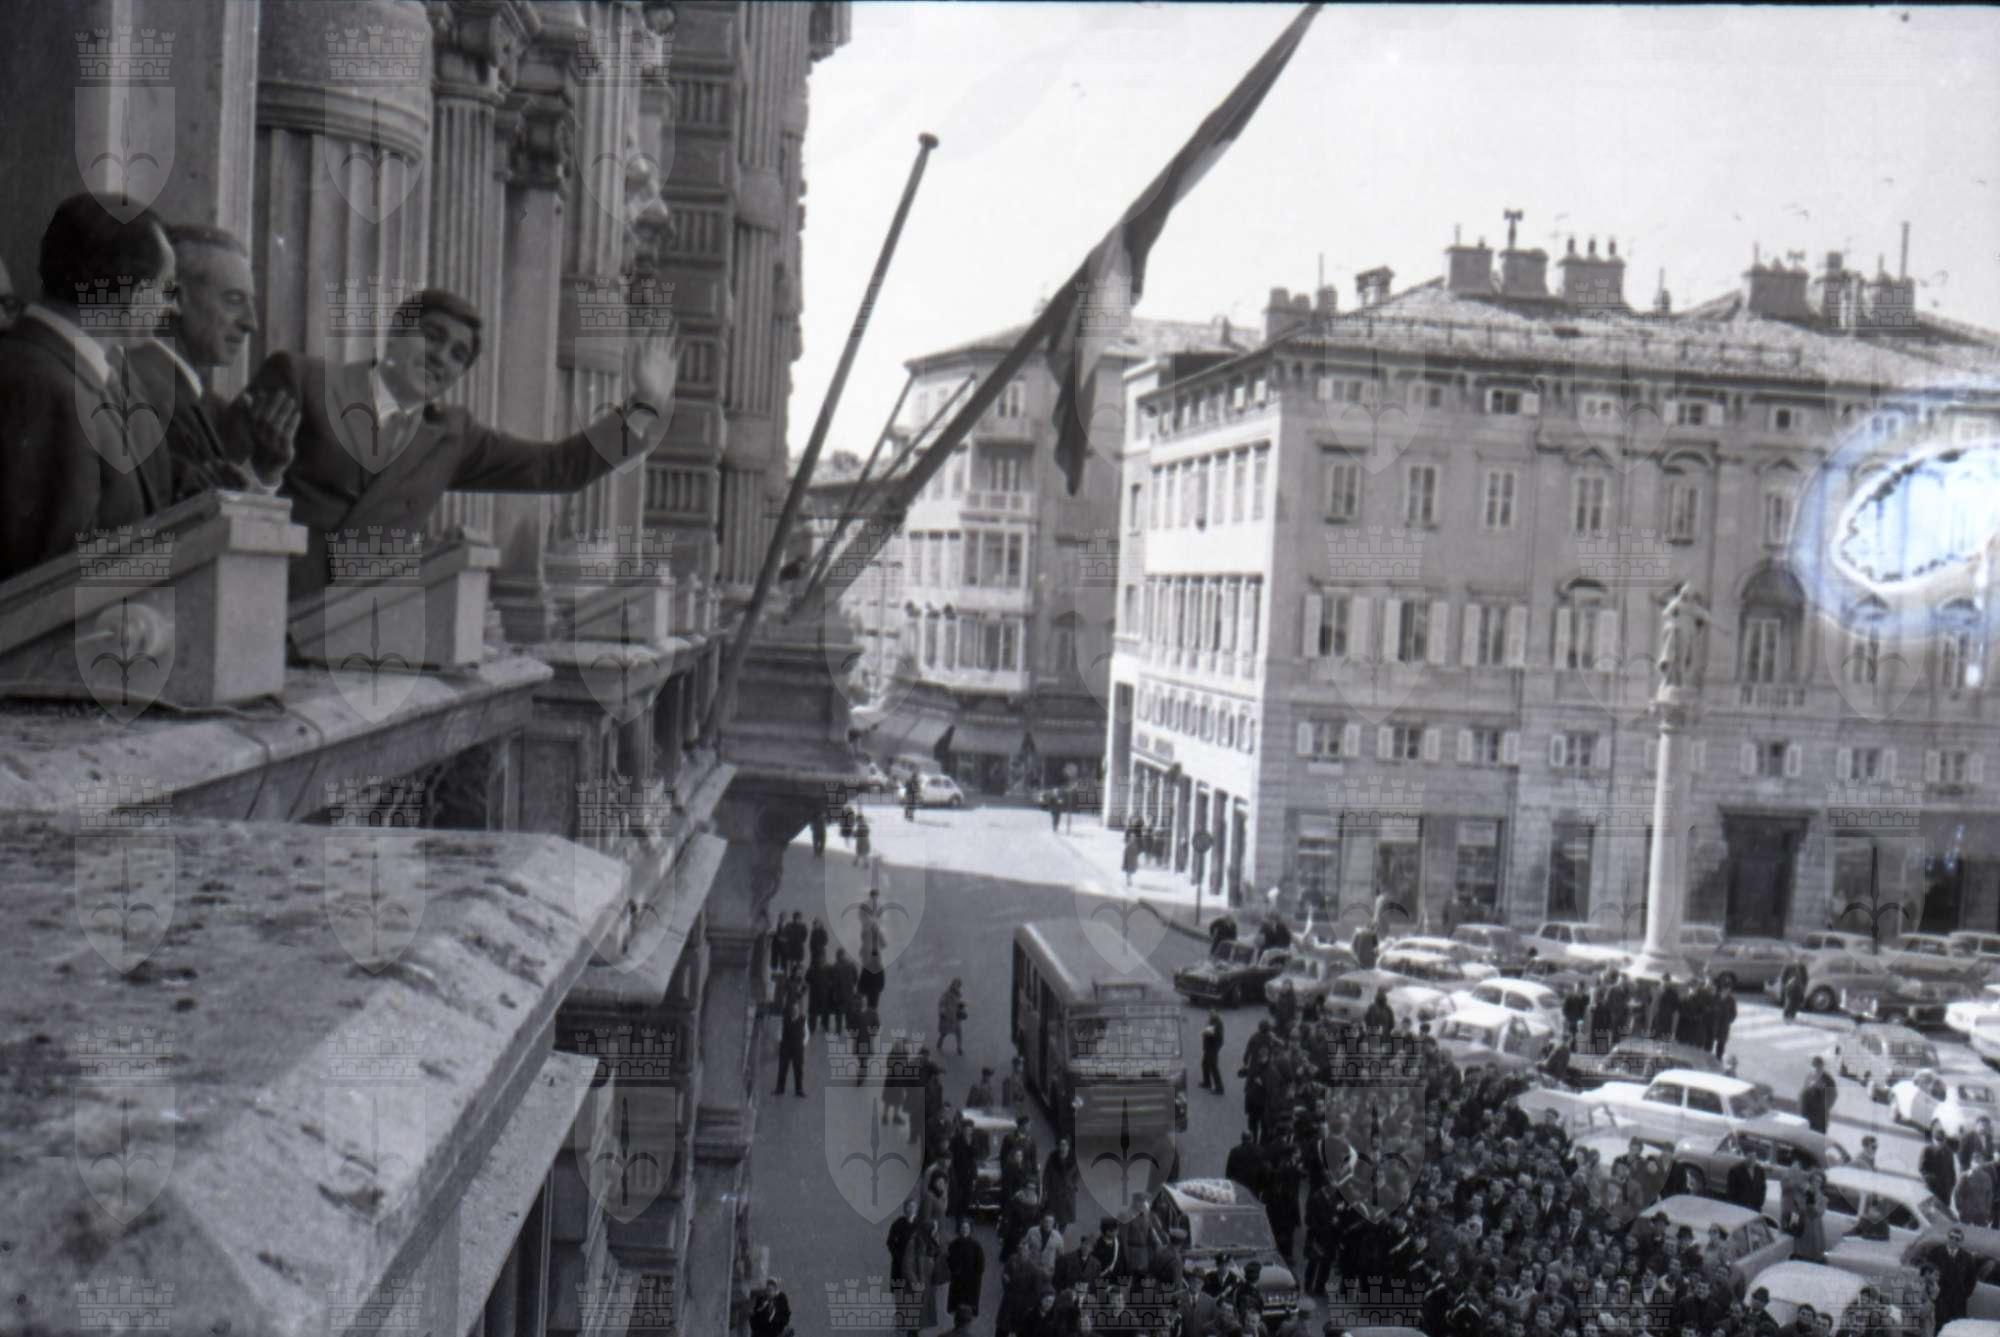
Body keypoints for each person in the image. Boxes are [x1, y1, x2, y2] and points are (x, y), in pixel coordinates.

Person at [254, 288, 675, 601]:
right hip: (265, 605)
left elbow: (557, 467)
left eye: (457, 355)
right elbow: (229, 478)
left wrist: (645, 404)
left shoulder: (452, 436)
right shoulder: (304, 382)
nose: (441, 357)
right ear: (395, 334)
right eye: (432, 336)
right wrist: (265, 476)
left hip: (355, 637)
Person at [0, 194, 183, 581]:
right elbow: (45, 585)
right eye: (165, 288)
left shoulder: (84, 376)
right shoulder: (42, 385)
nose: (172, 307)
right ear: (130, 296)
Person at [773, 967, 807, 1097]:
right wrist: (780, 1043)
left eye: (801, 972)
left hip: (797, 1046)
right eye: (798, 971)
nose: (799, 973)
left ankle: (799, 1089)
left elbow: (806, 1034)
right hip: (786, 1045)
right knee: (783, 1067)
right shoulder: (786, 1018)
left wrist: (802, 1044)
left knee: (798, 1069)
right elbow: (779, 1032)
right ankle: (780, 1088)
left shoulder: (802, 1019)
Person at [1798, 1056, 1837, 1135]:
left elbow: (1833, 1096)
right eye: (1814, 1066)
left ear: (1822, 1066)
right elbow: (1803, 1093)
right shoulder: (1810, 1076)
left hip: (1820, 1117)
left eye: (1818, 1066)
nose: (1816, 1069)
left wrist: (1824, 1106)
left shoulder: (1828, 1079)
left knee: (1818, 1136)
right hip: (1807, 1113)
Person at [1922, 1124, 1960, 1206]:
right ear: (1933, 1139)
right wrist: (1929, 1180)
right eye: (1937, 1140)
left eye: (1941, 1140)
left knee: (1944, 1209)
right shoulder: (1928, 1150)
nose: (1939, 1143)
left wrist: (1952, 1184)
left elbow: (1951, 1169)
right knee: (1932, 1208)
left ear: (1945, 1140)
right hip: (1933, 1187)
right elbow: (1922, 1168)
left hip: (1945, 1188)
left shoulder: (1948, 1152)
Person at [938, 978, 967, 1056]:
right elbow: (942, 1003)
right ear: (952, 985)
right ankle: (940, 1040)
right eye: (956, 985)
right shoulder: (946, 994)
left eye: (958, 985)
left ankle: (959, 1047)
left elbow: (960, 1005)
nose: (957, 987)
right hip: (947, 1016)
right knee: (944, 1032)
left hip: (956, 1017)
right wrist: (942, 1012)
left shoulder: (959, 995)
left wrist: (962, 1011)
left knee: (959, 1033)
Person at [1201, 1010, 1226, 1094]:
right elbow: (1207, 1034)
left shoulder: (1217, 1024)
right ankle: (1207, 1082)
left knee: (1213, 1067)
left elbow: (1216, 1036)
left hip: (1212, 1048)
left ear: (1216, 1014)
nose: (1210, 1016)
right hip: (1209, 1047)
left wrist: (1207, 1033)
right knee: (1205, 1064)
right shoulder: (1212, 1022)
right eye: (1210, 1014)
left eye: (1212, 1014)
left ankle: (1219, 1088)